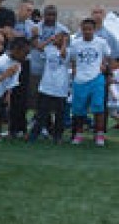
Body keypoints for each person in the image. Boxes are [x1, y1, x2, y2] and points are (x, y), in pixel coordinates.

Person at [70, 18, 116, 146]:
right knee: (79, 110)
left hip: (96, 79)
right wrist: (74, 69)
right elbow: (72, 58)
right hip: (80, 80)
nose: (87, 32)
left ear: (94, 30)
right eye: (84, 29)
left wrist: (105, 67)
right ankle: (78, 134)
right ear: (81, 29)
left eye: (89, 29)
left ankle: (99, 135)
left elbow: (109, 56)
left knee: (98, 108)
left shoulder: (101, 42)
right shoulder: (75, 43)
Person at [27, 31, 70, 143]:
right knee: (41, 113)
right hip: (46, 87)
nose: (55, 38)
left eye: (58, 37)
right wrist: (49, 40)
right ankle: (34, 135)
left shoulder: (68, 51)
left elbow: (63, 55)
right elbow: (39, 47)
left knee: (59, 115)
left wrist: (64, 42)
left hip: (60, 89)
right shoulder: (49, 49)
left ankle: (57, 136)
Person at [8, 0, 35, 137]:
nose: (29, 13)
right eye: (27, 9)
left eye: (31, 10)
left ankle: (21, 127)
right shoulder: (11, 22)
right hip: (10, 61)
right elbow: (10, 36)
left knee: (22, 96)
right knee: (9, 94)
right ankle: (11, 127)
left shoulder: (32, 26)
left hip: (24, 63)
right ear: (20, 9)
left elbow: (30, 42)